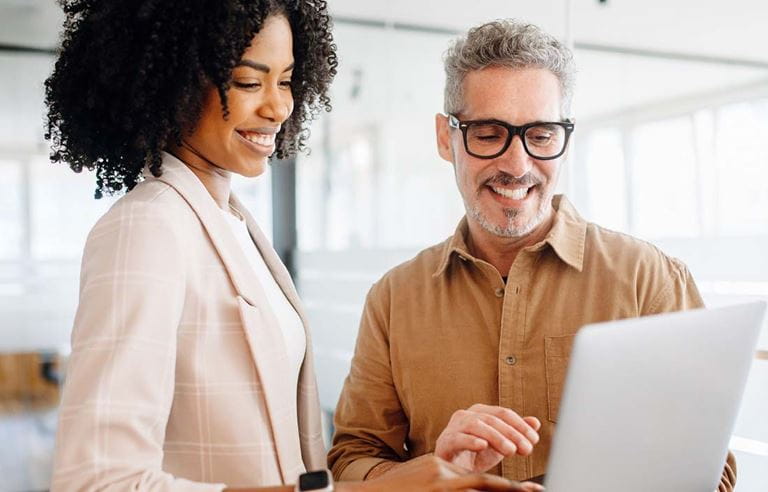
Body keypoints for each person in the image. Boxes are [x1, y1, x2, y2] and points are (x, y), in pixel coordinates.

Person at [45, 2, 540, 491]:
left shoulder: (230, 222)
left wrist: (422, 472)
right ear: (170, 84)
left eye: (284, 81)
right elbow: (96, 481)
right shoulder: (147, 228)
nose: (279, 106)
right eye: (247, 81)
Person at [327, 19, 737, 492]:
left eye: (541, 136)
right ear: (446, 138)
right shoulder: (394, 298)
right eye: (487, 133)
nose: (517, 165)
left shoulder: (649, 279)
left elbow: (712, 471)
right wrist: (431, 477)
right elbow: (351, 460)